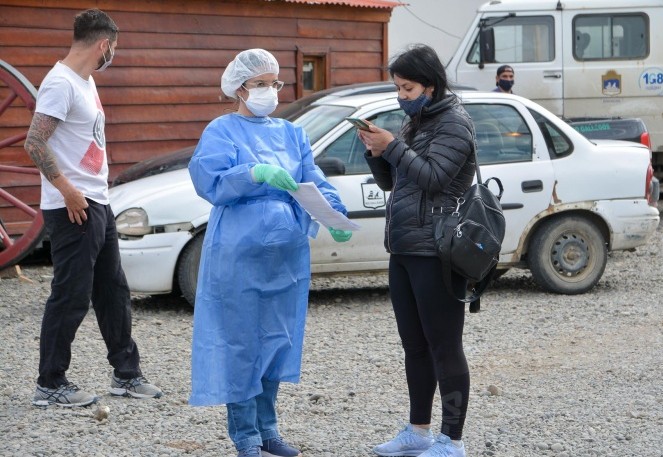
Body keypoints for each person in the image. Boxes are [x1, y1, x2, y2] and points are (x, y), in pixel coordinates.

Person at [187, 48, 351, 457]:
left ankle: (268, 429)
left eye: (274, 83)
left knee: (277, 340)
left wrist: (334, 212)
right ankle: (245, 435)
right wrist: (253, 173)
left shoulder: (291, 133)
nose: (269, 91)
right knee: (241, 342)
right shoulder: (221, 131)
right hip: (237, 255)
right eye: (260, 83)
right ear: (239, 88)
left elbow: (311, 178)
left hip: (285, 258)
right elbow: (210, 182)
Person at [24, 8, 162, 408]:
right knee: (70, 295)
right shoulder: (60, 84)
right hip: (73, 208)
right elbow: (34, 143)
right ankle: (50, 383)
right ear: (103, 44)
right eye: (112, 48)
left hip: (97, 202)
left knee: (113, 291)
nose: (111, 55)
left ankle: (127, 374)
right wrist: (67, 190)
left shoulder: (84, 83)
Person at [356, 44, 476, 457]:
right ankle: (418, 431)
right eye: (398, 88)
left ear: (430, 84)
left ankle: (451, 440)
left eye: (407, 88)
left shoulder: (455, 124)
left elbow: (434, 179)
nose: (401, 96)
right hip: (405, 246)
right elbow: (396, 183)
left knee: (445, 345)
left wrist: (391, 146)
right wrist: (377, 153)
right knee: (415, 345)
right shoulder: (417, 123)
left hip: (438, 250)